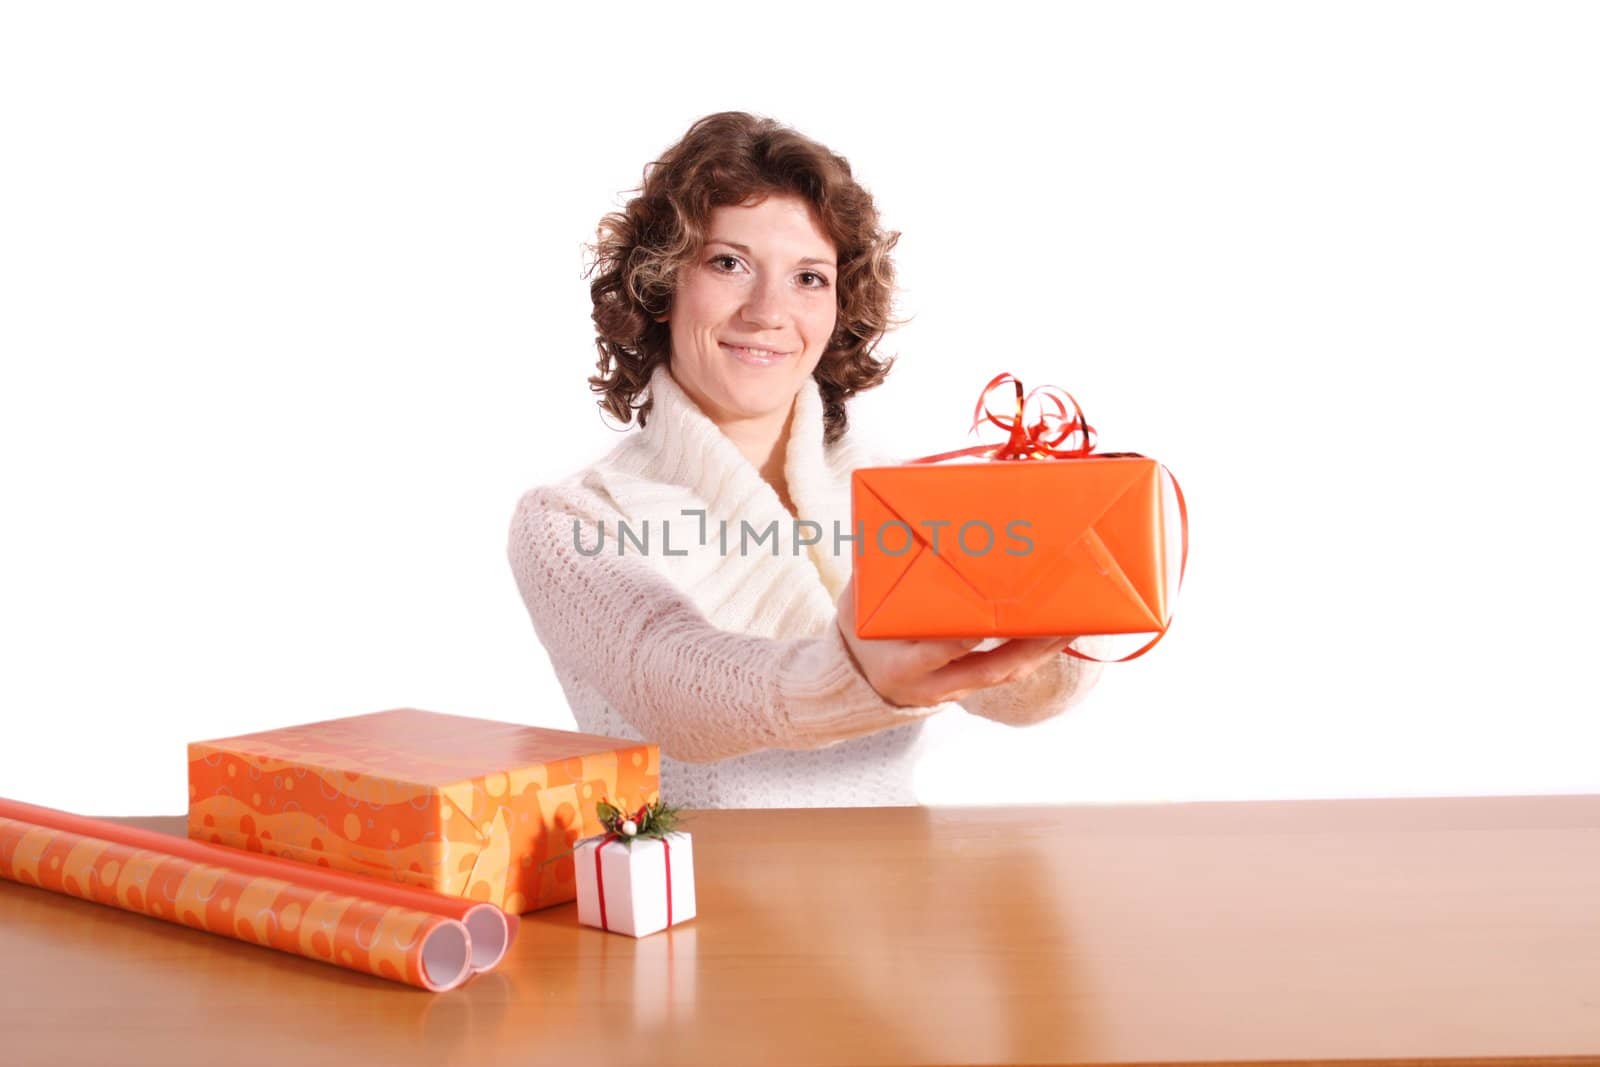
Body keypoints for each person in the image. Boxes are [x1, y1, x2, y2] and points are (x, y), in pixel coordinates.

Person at [507, 112, 1105, 809]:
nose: (768, 311)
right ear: (661, 282)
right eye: (728, 263)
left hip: (897, 895)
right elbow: (670, 684)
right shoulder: (570, 520)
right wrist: (855, 674)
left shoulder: (894, 493)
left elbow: (1025, 701)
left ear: (840, 304)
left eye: (809, 278)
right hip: (694, 903)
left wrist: (1053, 622)